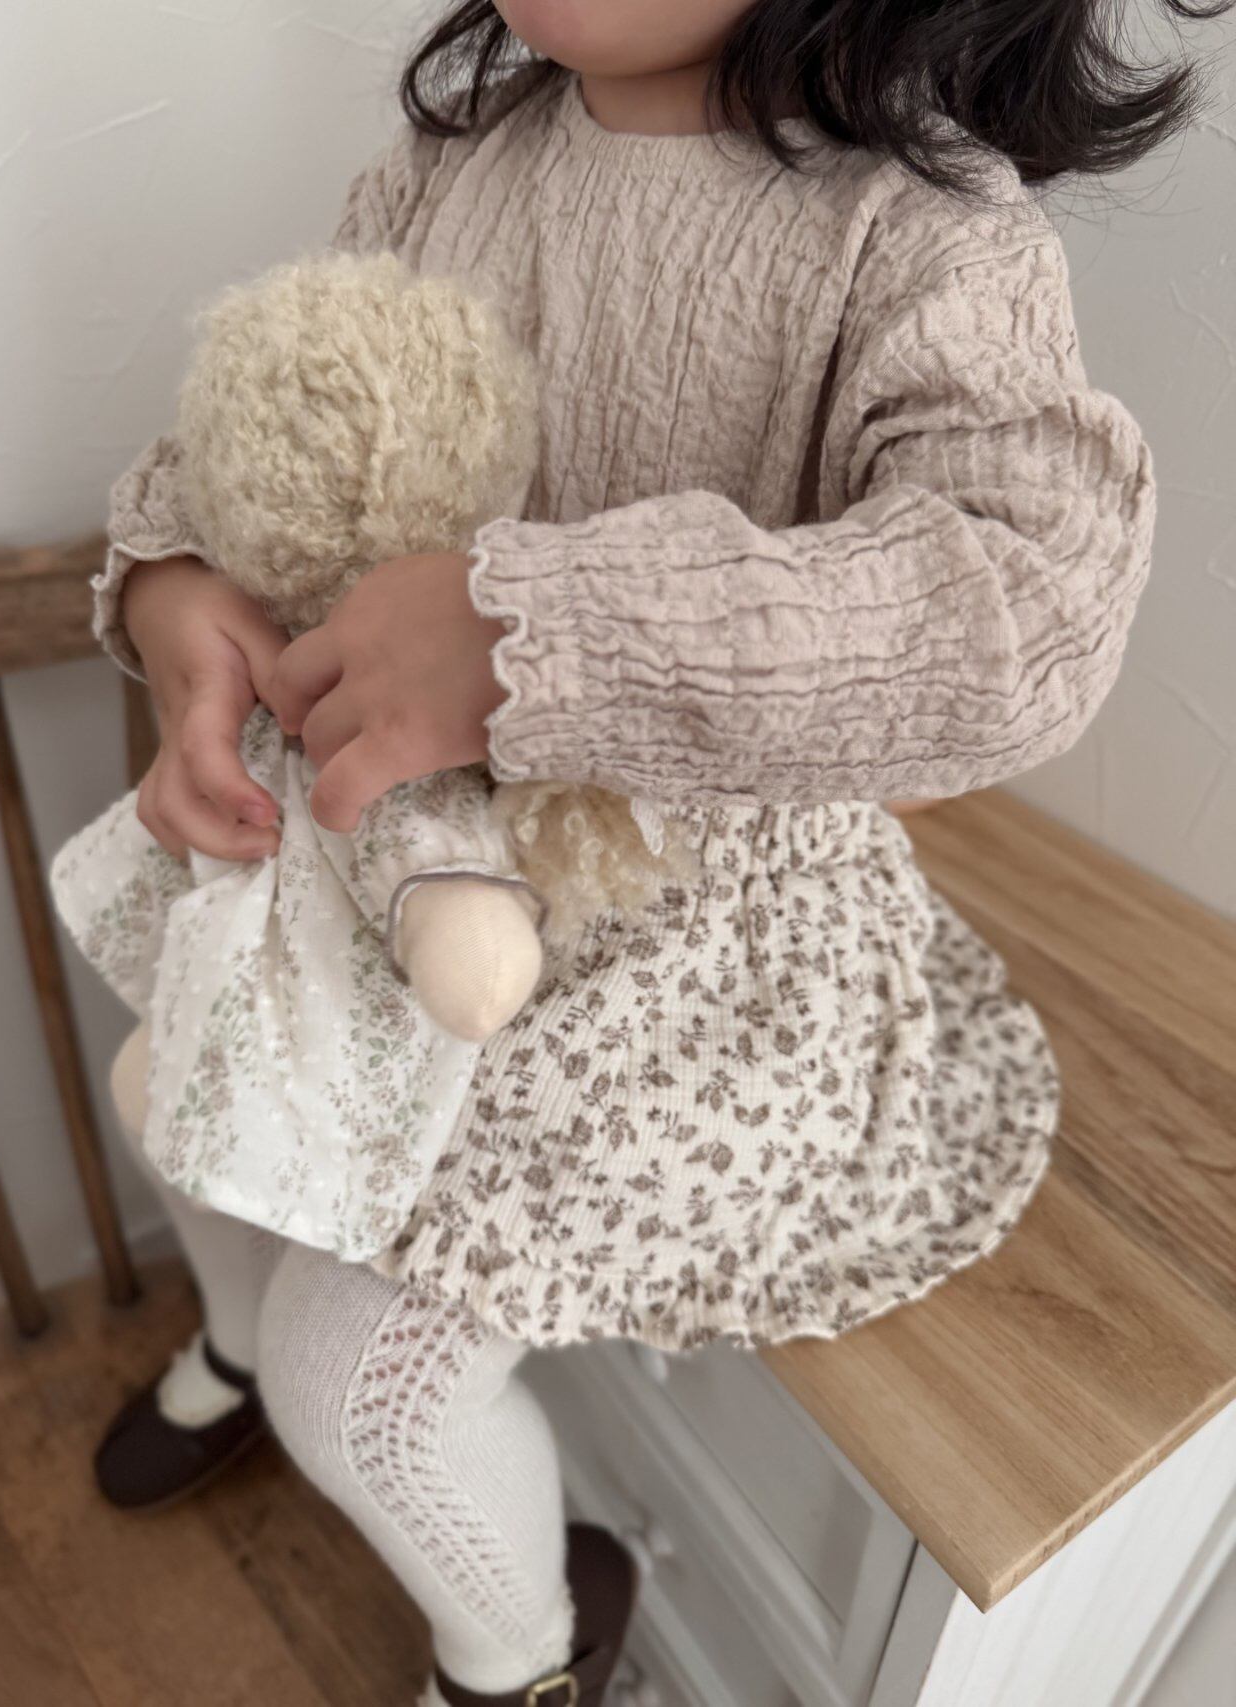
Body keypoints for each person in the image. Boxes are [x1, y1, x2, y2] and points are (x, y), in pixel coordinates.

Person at [87, 1, 1219, 1700]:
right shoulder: (458, 158)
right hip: (402, 842)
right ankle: (236, 1337)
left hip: (691, 959)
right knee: (177, 1081)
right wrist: (182, 596)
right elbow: (275, 411)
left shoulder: (923, 229)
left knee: (361, 1387)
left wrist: (544, 634)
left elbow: (1025, 610)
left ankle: (520, 1654)